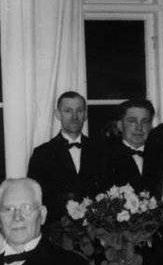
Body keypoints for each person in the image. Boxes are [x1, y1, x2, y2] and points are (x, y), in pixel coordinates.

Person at [27, 92, 106, 235]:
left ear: (85, 115)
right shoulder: (42, 154)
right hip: (57, 235)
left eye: (79, 111)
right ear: (58, 114)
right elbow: (35, 200)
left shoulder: (101, 150)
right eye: (68, 111)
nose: (74, 117)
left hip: (97, 234)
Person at [104, 98, 155, 192]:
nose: (139, 128)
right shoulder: (105, 158)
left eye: (144, 122)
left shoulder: (161, 156)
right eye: (132, 121)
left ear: (151, 126)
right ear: (120, 125)